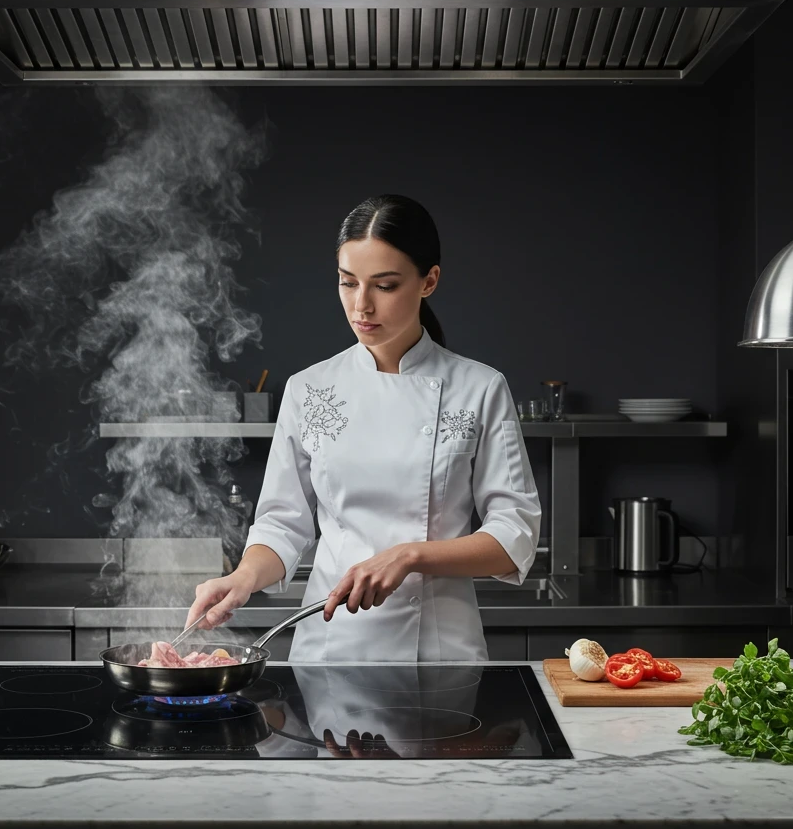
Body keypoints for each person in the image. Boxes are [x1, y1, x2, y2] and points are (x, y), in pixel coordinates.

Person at [185, 194, 542, 662]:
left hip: (436, 650)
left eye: (385, 285)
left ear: (428, 281)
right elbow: (281, 524)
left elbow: (514, 537)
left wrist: (410, 555)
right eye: (348, 283)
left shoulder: (479, 388)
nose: (362, 305)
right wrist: (241, 578)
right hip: (332, 646)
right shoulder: (309, 389)